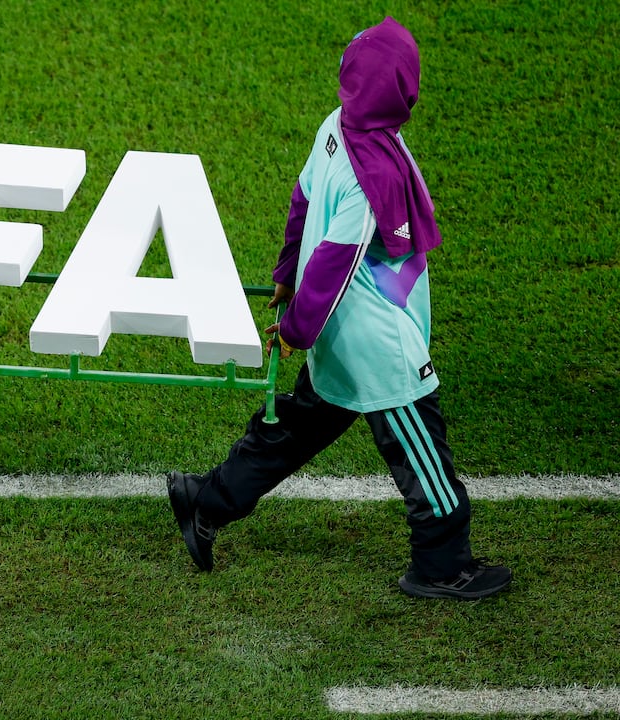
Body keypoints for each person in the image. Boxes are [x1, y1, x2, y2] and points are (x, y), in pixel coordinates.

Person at [166, 17, 511, 600]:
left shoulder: (338, 127)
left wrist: (283, 276)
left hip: (339, 331)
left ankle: (207, 500)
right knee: (421, 448)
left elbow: (302, 201)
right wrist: (298, 325)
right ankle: (442, 564)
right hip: (373, 339)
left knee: (298, 428)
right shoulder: (371, 170)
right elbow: (334, 261)